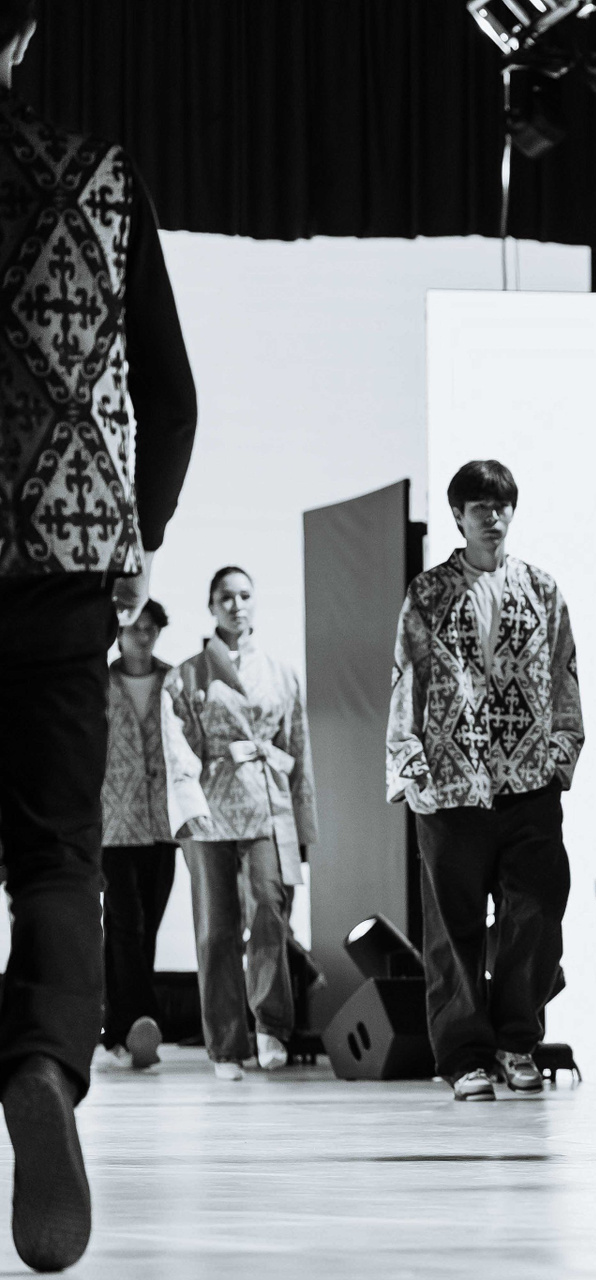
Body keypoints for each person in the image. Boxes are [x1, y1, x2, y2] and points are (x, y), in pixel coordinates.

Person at [0, 1, 197, 1265]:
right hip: (61, 566)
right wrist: (140, 536)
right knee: (59, 856)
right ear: (21, 43)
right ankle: (40, 1061)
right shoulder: (98, 175)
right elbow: (169, 396)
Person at [388, 460, 583, 1103]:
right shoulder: (429, 592)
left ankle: (517, 1040)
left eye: (500, 506)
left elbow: (565, 672)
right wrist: (409, 765)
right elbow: (406, 676)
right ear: (458, 516)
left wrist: (562, 752)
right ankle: (464, 1056)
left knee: (538, 909)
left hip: (529, 780)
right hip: (451, 781)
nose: (492, 517)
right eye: (479, 507)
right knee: (455, 926)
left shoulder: (542, 589)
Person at [162, 568, 317, 1082]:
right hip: (210, 807)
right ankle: (226, 1044)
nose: (236, 605)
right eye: (225, 597)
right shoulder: (186, 675)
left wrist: (304, 824)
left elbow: (297, 749)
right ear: (211, 606)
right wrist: (189, 805)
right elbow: (178, 748)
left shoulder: (281, 673)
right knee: (216, 928)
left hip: (266, 804)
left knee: (270, 908)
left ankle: (271, 1023)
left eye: (245, 595)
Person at [98, 599, 178, 1072]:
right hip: (113, 822)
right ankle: (142, 1020)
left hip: (164, 823)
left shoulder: (175, 681)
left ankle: (118, 1029)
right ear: (119, 633)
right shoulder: (98, 682)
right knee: (126, 923)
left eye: (151, 628)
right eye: (134, 628)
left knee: (143, 924)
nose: (143, 636)